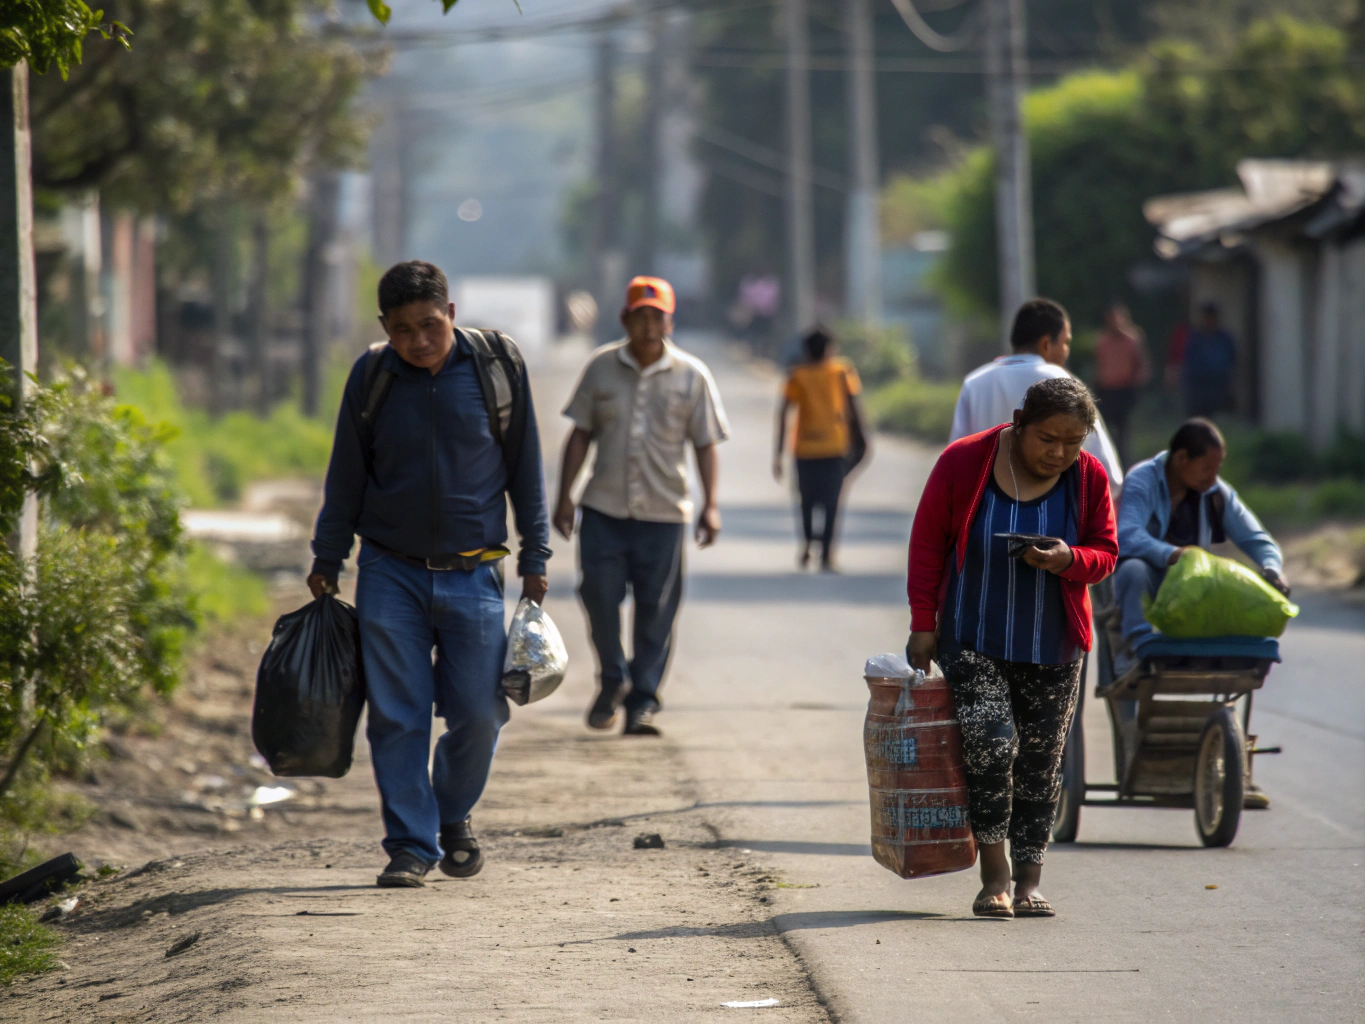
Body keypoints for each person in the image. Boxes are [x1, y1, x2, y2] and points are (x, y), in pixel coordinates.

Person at [307, 261, 552, 889]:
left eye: (428, 324)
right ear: (385, 327)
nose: (417, 340)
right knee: (399, 715)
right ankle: (411, 846)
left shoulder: (497, 367)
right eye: (402, 329)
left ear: (451, 311)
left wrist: (536, 554)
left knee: (478, 713)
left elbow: (526, 465)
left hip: (475, 574)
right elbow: (347, 475)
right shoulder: (373, 376)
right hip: (390, 571)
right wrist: (328, 556)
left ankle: (449, 814)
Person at [908, 377, 1118, 918]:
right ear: (1021, 421)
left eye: (1073, 443)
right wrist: (922, 622)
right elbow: (929, 541)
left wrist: (1068, 558)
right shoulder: (965, 461)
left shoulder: (1089, 478)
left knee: (1040, 763)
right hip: (972, 636)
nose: (1060, 453)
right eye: (1048, 438)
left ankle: (1030, 880)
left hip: (1052, 644)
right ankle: (994, 874)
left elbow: (1106, 553)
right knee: (992, 744)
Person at [555, 276, 730, 737]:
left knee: (657, 612)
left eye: (657, 316)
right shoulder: (600, 368)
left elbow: (705, 444)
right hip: (603, 509)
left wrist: (711, 505)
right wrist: (564, 498)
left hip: (664, 513)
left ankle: (643, 701)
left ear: (669, 321)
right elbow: (580, 435)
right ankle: (613, 677)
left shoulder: (692, 375)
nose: (649, 325)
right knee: (598, 597)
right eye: (640, 316)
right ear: (625, 319)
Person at [1112, 418, 1289, 676]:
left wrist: (1273, 568)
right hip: (1151, 578)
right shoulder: (1143, 479)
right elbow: (1128, 534)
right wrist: (1172, 554)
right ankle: (1135, 649)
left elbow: (1256, 538)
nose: (1213, 477)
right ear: (1182, 458)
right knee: (1133, 569)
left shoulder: (1216, 492)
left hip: (1193, 585)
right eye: (1206, 468)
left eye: (1217, 469)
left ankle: (1219, 652)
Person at [950, 298, 1125, 491]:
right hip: (1050, 511)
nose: (1066, 351)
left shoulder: (974, 382)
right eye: (1065, 343)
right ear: (1046, 344)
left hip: (986, 509)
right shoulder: (1063, 382)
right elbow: (1105, 471)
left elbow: (956, 461)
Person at [772, 327, 869, 571]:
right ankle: (826, 555)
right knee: (832, 503)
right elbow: (853, 406)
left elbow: (784, 413)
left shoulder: (797, 375)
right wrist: (863, 438)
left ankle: (806, 543)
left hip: (804, 449)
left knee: (806, 501)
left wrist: (778, 453)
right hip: (835, 447)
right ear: (828, 349)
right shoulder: (841, 371)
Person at [1093, 302, 1150, 468]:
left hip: (1125, 391)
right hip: (1106, 391)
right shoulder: (1102, 341)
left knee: (1124, 434)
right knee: (1107, 432)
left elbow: (1142, 364)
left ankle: (1125, 466)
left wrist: (1136, 385)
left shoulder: (1133, 339)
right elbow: (1099, 365)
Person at [1182, 303, 1237, 417]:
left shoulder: (1224, 338)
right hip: (1198, 383)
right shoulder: (1196, 338)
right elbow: (1189, 358)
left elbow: (1232, 359)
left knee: (1216, 413)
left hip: (1218, 382)